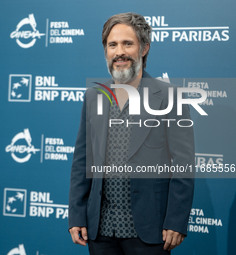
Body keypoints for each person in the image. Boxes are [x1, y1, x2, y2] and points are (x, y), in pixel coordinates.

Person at [68, 12, 195, 255]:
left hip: (150, 231)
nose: (119, 52)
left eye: (128, 43)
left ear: (144, 48)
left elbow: (183, 164)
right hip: (101, 231)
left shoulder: (169, 97)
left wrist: (176, 221)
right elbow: (81, 161)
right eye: (112, 44)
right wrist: (76, 214)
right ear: (105, 50)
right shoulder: (94, 96)